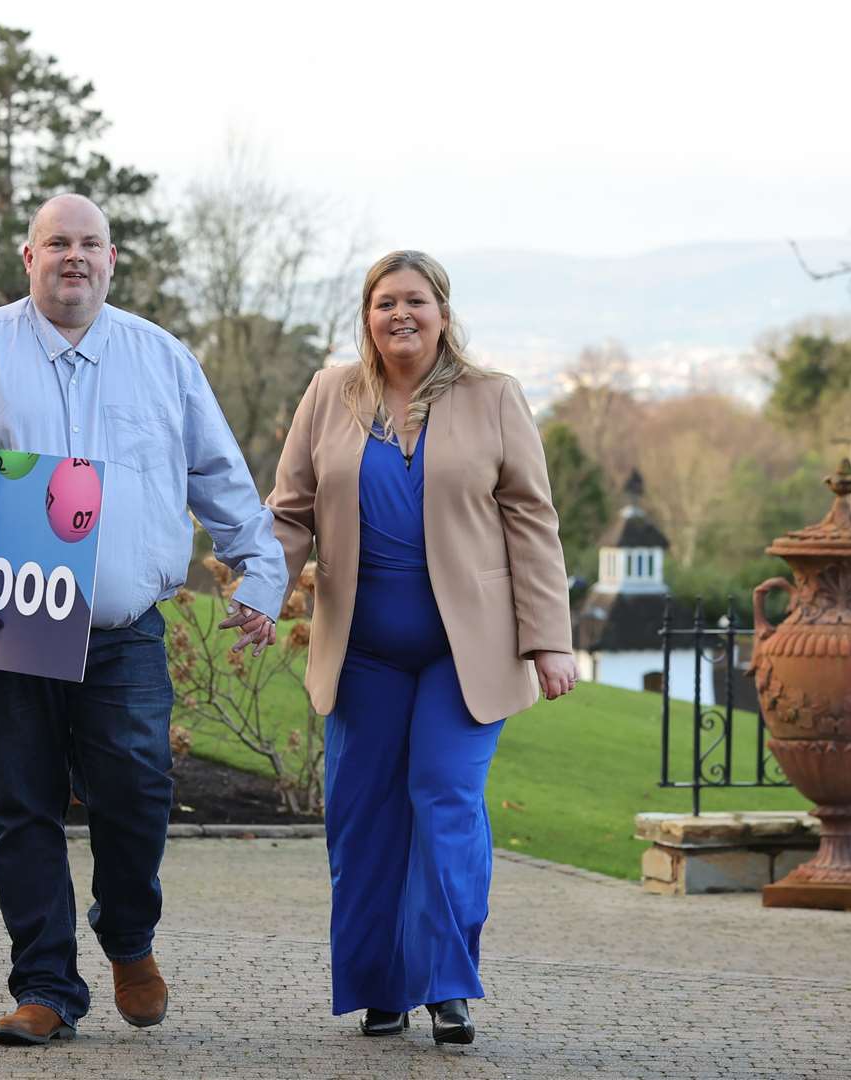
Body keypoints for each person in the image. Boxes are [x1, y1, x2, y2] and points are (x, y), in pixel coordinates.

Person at [0, 193, 286, 1047]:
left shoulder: (161, 358)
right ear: (27, 257)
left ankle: (128, 936)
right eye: (58, 243)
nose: (75, 257)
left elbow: (217, 473)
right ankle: (45, 987)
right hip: (11, 628)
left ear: (112, 261)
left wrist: (261, 569)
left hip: (124, 630)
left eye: (91, 245)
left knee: (138, 792)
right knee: (23, 807)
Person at [266, 250, 577, 1046]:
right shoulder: (330, 394)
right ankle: (380, 987)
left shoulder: (492, 398)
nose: (399, 315)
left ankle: (445, 985)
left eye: (414, 301)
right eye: (383, 303)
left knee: (444, 803)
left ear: (442, 311)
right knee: (363, 819)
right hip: (361, 652)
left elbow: (532, 524)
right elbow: (289, 512)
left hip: (463, 656)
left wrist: (549, 641)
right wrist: (259, 593)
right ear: (366, 316)